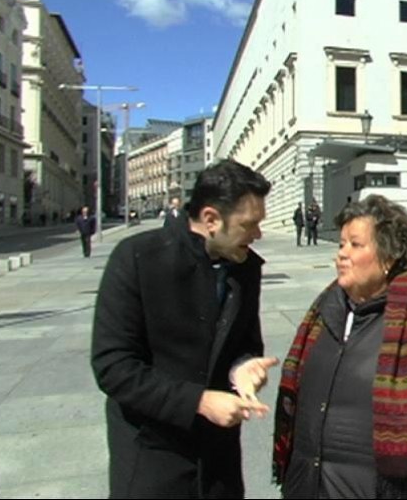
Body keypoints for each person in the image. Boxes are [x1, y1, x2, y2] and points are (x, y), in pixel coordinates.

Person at [91, 159, 280, 499]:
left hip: (219, 461)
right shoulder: (137, 257)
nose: (257, 235)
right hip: (153, 457)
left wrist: (244, 367)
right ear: (211, 219)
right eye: (249, 224)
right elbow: (113, 366)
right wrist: (198, 401)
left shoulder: (245, 267)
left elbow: (245, 342)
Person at [272, 194, 407, 498]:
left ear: (389, 257)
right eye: (341, 244)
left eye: (356, 245)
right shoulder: (322, 313)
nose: (342, 254)